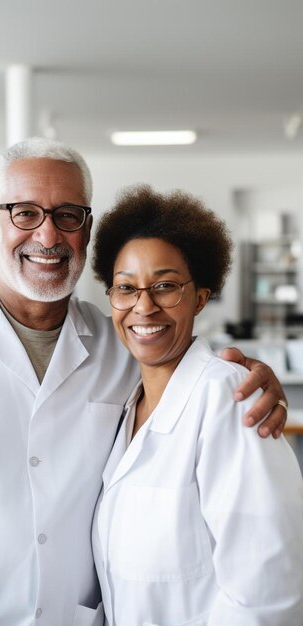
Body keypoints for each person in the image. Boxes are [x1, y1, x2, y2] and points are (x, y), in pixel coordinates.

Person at [0, 138, 288, 626]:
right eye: (25, 213)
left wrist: (244, 375)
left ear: (88, 229)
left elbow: (177, 365)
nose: (48, 236)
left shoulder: (116, 345)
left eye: (68, 215)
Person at [91, 185, 303, 626]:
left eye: (165, 286)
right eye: (126, 288)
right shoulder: (128, 403)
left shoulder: (231, 399)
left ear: (200, 297)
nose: (143, 306)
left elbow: (267, 592)